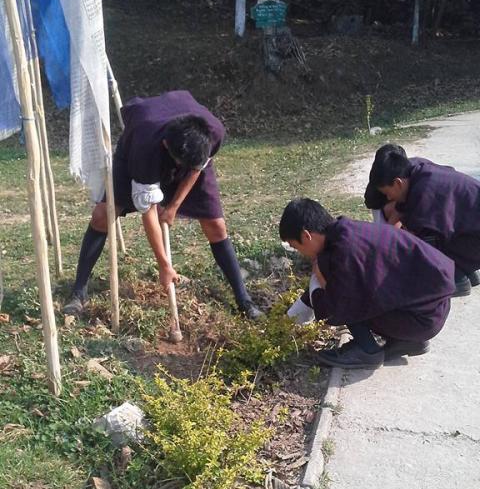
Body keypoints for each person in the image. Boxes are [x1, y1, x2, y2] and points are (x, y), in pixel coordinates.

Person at [63, 90, 262, 320]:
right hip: (137, 153)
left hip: (188, 155)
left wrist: (173, 207)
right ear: (167, 145)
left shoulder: (211, 133)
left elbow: (197, 167)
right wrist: (164, 265)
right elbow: (148, 212)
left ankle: (244, 300)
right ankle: (78, 291)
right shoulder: (144, 146)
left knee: (216, 226)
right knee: (102, 216)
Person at [279, 198, 455, 369]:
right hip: (431, 310)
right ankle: (407, 342)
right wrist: (289, 320)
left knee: (342, 300)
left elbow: (332, 312)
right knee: (339, 287)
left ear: (306, 236)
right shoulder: (346, 232)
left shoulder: (342, 253)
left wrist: (320, 280)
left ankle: (367, 351)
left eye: (296, 247)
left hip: (420, 320)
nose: (300, 253)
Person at [364, 144, 480, 297]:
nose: (389, 197)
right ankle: (465, 269)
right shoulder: (414, 169)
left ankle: (455, 280)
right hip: (472, 229)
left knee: (424, 255)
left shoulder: (424, 194)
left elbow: (419, 246)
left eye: (387, 194)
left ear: (398, 183)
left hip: (475, 237)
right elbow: (400, 211)